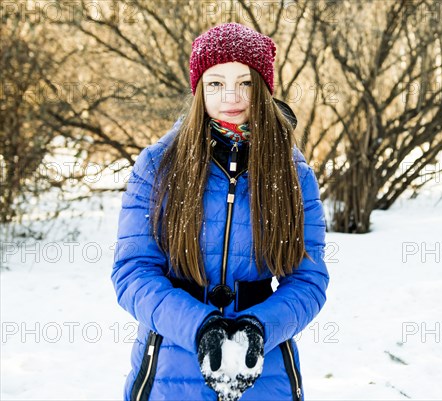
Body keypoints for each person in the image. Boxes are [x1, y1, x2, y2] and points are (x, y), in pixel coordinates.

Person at [111, 22, 329, 401]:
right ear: (199, 90)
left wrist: (258, 329)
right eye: (215, 83)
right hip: (170, 366)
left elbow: (308, 281)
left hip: (265, 366)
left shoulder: (294, 173)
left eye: (245, 82)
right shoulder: (157, 165)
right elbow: (132, 272)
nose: (231, 95)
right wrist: (200, 326)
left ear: (262, 88)